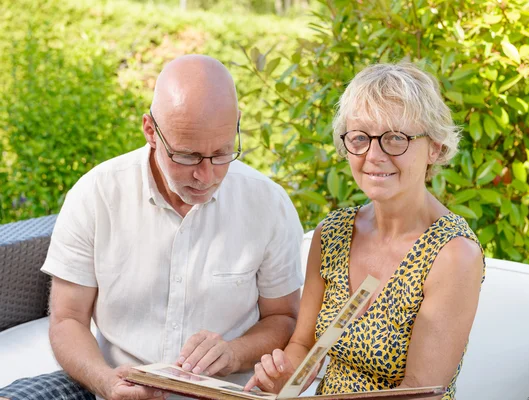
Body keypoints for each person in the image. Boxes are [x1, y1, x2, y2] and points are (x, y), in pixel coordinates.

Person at [0, 55, 304, 400]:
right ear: (150, 131)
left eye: (221, 154)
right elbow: (68, 318)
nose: (206, 176)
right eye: (187, 156)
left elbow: (284, 318)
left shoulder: (267, 204)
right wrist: (105, 381)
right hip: (111, 388)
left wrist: (234, 353)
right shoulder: (96, 194)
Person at [244, 61, 485, 400]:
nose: (374, 155)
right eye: (360, 138)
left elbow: (420, 394)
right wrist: (285, 375)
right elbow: (303, 344)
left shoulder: (453, 254)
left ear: (435, 147)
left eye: (395, 139)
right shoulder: (332, 234)